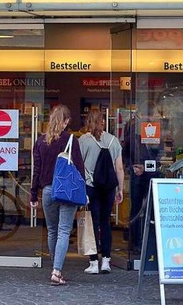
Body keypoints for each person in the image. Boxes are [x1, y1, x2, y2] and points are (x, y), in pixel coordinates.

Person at [30, 104, 85, 286]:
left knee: (52, 230)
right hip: (67, 191)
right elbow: (79, 169)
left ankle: (55, 268)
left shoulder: (40, 142)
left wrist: (32, 195)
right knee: (63, 231)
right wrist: (84, 193)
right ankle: (56, 270)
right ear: (67, 121)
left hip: (47, 191)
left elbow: (36, 170)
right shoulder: (71, 140)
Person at [78, 109, 125, 274]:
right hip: (109, 187)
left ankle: (93, 263)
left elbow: (78, 166)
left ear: (88, 122)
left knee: (92, 224)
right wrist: (120, 189)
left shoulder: (83, 141)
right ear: (103, 122)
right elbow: (119, 168)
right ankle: (106, 261)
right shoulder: (113, 141)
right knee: (106, 223)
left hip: (91, 187)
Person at [122, 101, 164, 254]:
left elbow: (159, 149)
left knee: (149, 209)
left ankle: (147, 243)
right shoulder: (133, 128)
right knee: (137, 209)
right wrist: (131, 166)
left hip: (150, 172)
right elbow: (125, 150)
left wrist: (157, 159)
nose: (155, 117)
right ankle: (136, 243)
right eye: (153, 114)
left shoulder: (153, 128)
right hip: (138, 173)